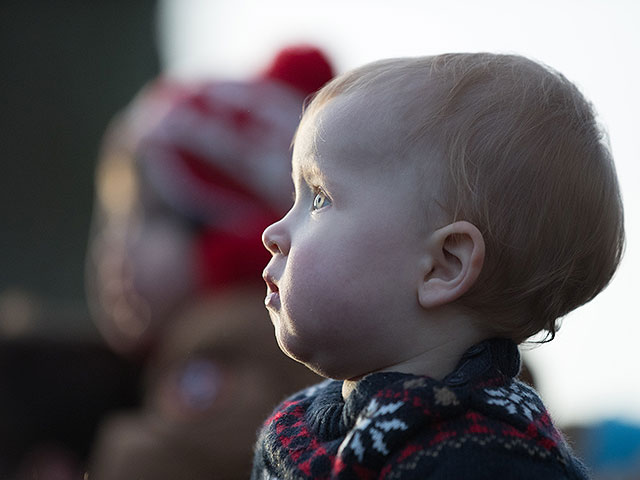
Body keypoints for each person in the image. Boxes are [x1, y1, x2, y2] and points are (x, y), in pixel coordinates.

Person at [252, 53, 625, 479]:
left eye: (320, 198)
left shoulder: (485, 458)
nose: (273, 232)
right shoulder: (304, 424)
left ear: (443, 265)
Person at [85, 45, 334, 479]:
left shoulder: (231, 348)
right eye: (111, 220)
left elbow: (158, 465)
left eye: (153, 216)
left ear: (228, 240)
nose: (118, 247)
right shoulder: (194, 341)